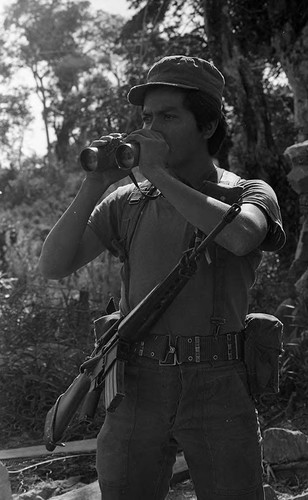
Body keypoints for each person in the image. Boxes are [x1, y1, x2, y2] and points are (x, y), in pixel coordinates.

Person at [39, 55, 286, 500]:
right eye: (147, 117)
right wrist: (96, 184)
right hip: (136, 383)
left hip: (219, 382)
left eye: (168, 116)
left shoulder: (248, 191)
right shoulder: (127, 201)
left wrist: (156, 173)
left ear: (207, 127)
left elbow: (241, 237)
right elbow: (53, 265)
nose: (152, 128)